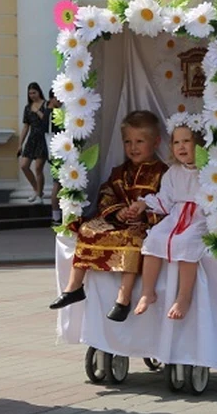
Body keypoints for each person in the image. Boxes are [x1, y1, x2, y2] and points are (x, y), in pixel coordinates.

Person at [49, 110, 168, 322]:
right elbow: (106, 194)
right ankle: (74, 286)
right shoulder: (119, 171)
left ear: (156, 142)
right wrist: (118, 211)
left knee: (134, 240)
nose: (133, 147)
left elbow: (168, 202)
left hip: (144, 227)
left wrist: (144, 215)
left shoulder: (163, 173)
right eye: (128, 142)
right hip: (118, 222)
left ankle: (124, 297)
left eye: (139, 141)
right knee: (86, 229)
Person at [133, 122, 203, 320]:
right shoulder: (173, 172)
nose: (181, 146)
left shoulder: (209, 171)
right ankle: (148, 291)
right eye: (176, 142)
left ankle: (184, 296)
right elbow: (165, 200)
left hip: (199, 217)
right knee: (154, 237)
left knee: (186, 242)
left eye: (186, 141)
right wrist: (144, 204)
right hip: (177, 215)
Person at [18, 82, 49, 203]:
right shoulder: (27, 107)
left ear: (39, 92)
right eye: (30, 93)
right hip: (32, 138)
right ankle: (37, 190)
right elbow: (26, 126)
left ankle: (39, 196)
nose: (32, 95)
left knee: (38, 168)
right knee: (24, 166)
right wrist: (20, 144)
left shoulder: (46, 104)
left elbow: (47, 121)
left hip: (43, 138)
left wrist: (37, 111)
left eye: (34, 93)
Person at [47, 88, 64, 224]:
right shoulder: (53, 114)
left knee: (60, 184)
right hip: (57, 154)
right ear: (52, 98)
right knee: (57, 184)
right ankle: (56, 215)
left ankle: (58, 214)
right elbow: (52, 136)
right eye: (58, 98)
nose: (61, 101)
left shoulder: (56, 112)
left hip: (58, 152)